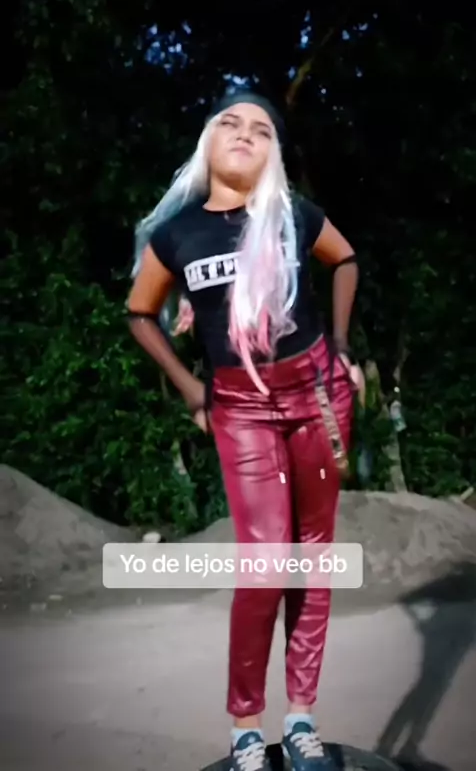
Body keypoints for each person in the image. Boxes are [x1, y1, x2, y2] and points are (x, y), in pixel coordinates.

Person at [126, 89, 364, 771]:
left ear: (273, 155)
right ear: (208, 142)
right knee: (265, 563)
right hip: (241, 405)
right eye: (229, 122)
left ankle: (301, 718)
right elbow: (140, 313)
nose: (244, 134)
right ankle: (245, 729)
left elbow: (346, 259)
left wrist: (341, 346)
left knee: (312, 557)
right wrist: (192, 389)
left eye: (261, 130)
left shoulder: (294, 216)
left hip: (316, 393)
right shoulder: (176, 235)